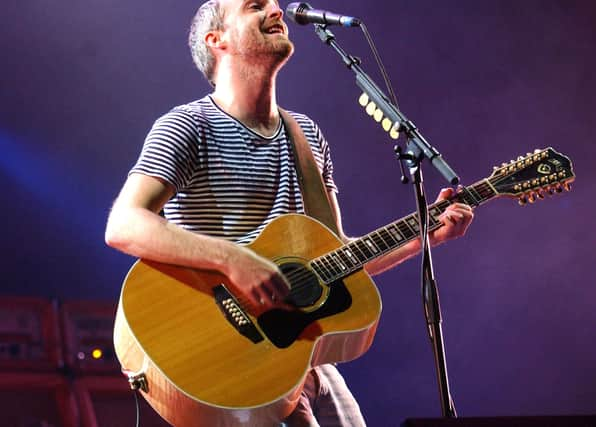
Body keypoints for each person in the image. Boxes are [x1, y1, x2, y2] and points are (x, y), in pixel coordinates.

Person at [105, 1, 474, 425]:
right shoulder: (187, 126)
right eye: (256, 6)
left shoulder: (307, 135)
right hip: (230, 359)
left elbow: (337, 257)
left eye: (277, 6)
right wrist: (233, 258)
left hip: (300, 356)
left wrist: (425, 237)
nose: (277, 11)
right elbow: (124, 224)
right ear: (216, 39)